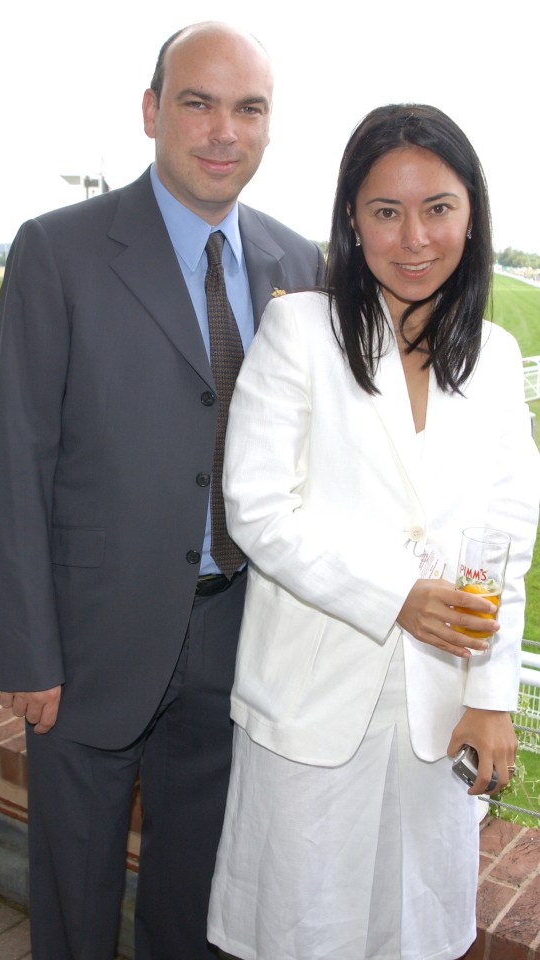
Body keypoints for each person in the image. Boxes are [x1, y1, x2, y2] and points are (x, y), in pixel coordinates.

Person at [0, 22, 324, 960]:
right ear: (151, 112)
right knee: (75, 907)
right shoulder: (59, 251)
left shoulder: (299, 266)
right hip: (87, 646)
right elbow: (12, 455)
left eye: (247, 108)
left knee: (198, 904)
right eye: (198, 102)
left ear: (267, 125)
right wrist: (23, 649)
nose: (224, 130)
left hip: (237, 639)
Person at [207, 104, 540, 960]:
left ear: (471, 212)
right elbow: (256, 508)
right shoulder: (300, 332)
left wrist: (491, 693)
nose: (414, 237)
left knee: (417, 932)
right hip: (314, 699)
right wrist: (392, 596)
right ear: (351, 223)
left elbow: (504, 531)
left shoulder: (495, 358)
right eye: (384, 212)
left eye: (438, 206)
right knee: (300, 932)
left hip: (436, 708)